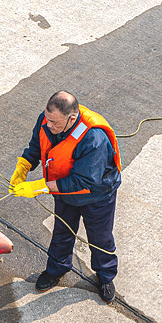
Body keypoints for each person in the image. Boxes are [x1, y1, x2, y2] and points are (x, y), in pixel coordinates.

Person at [10, 91, 122, 302]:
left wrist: (40, 187)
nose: (49, 125)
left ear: (71, 118)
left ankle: (106, 276)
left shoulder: (93, 138)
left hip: (96, 195)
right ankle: (56, 269)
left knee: (100, 238)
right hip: (63, 191)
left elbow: (82, 181)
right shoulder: (47, 120)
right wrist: (24, 165)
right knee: (62, 231)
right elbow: (37, 146)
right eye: (48, 119)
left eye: (55, 123)